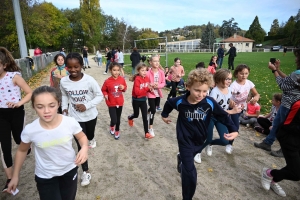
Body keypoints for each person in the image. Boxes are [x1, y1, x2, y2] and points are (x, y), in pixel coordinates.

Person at [161, 68, 238, 200]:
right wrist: (164, 115)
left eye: (204, 91)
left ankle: (181, 158)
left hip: (200, 140)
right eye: (197, 90)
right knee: (190, 172)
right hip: (184, 140)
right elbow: (169, 103)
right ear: (188, 87)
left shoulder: (209, 102)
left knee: (189, 159)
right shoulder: (180, 102)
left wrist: (234, 130)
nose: (200, 94)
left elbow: (223, 116)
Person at [6, 86, 88, 199]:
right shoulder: (30, 130)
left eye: (52, 105)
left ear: (58, 104)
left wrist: (84, 148)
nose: (46, 111)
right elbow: (22, 150)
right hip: (45, 176)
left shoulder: (70, 122)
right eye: (40, 107)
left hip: (70, 170)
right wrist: (15, 176)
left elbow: (82, 137)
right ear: (33, 107)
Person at [60, 52, 103, 186]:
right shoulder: (63, 81)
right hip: (75, 117)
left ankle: (92, 138)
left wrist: (86, 105)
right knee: (81, 144)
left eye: (76, 67)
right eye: (70, 67)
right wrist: (64, 108)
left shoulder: (89, 80)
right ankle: (86, 172)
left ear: (81, 66)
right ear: (66, 67)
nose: (73, 70)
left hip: (90, 115)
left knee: (89, 136)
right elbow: (64, 96)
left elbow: (99, 95)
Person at [254, 49, 300, 157]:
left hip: (290, 105)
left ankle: (284, 149)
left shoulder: (297, 74)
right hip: (288, 103)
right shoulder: (297, 74)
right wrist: (278, 69)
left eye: (297, 56)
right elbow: (288, 80)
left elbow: (283, 85)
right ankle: (267, 143)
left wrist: (274, 71)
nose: (296, 58)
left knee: (285, 128)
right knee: (276, 123)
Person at [0, 47, 33, 191]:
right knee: (4, 147)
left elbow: (29, 93)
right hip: (1, 116)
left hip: (16, 112)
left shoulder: (14, 77)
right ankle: (9, 178)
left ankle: (27, 144)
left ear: (4, 65)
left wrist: (19, 103)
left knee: (19, 140)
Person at [193, 69, 242, 163]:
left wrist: (232, 104)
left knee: (225, 141)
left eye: (230, 79)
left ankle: (211, 143)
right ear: (219, 79)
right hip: (211, 117)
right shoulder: (214, 92)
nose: (229, 81)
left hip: (221, 118)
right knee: (207, 138)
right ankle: (197, 152)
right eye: (227, 79)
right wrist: (231, 112)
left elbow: (228, 100)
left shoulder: (230, 89)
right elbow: (213, 109)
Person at [260, 99, 300, 197]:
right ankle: (269, 173)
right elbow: (287, 125)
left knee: (295, 166)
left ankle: (273, 180)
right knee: (296, 173)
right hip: (289, 140)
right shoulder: (298, 105)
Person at [229, 64, 260, 153]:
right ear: (236, 74)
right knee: (235, 127)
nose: (244, 76)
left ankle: (229, 140)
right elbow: (227, 97)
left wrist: (256, 97)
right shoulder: (233, 85)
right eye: (241, 73)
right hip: (233, 109)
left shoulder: (249, 83)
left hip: (242, 108)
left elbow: (256, 94)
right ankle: (229, 144)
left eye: (246, 73)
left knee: (233, 125)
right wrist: (230, 102)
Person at [101, 62, 127, 140]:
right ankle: (112, 125)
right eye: (114, 70)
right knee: (114, 119)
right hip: (111, 103)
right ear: (110, 71)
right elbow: (103, 90)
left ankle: (117, 131)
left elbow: (125, 88)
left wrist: (123, 87)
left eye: (118, 70)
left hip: (119, 102)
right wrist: (105, 94)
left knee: (118, 118)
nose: (116, 72)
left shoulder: (122, 79)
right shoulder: (107, 81)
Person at [128, 63, 153, 139]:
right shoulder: (137, 79)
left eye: (145, 70)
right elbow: (137, 92)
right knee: (136, 114)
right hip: (136, 100)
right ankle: (130, 118)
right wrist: (146, 89)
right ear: (138, 71)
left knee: (145, 117)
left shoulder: (147, 78)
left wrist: (150, 89)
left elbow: (147, 88)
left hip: (143, 100)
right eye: (142, 70)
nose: (144, 72)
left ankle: (146, 133)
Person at [146, 55, 165, 137]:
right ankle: (150, 128)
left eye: (158, 61)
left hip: (158, 93)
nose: (157, 63)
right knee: (154, 110)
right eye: (155, 61)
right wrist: (150, 86)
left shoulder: (161, 72)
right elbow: (145, 83)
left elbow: (163, 83)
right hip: (151, 94)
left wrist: (158, 86)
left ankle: (148, 112)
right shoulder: (147, 73)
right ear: (150, 62)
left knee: (154, 107)